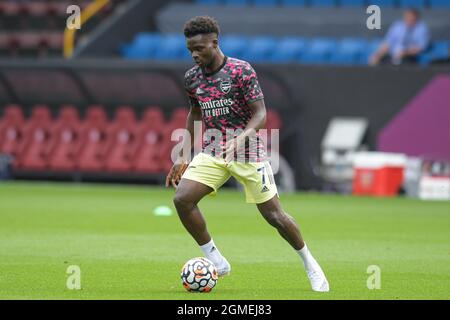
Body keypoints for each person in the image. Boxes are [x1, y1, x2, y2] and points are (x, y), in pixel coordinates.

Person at [165, 16, 329, 292]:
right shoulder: (192, 78)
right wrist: (182, 154)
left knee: (275, 216)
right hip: (214, 149)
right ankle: (217, 261)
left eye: (200, 48)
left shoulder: (241, 71)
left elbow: (261, 114)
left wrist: (240, 139)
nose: (194, 54)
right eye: (190, 49)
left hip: (249, 152)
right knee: (182, 199)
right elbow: (195, 113)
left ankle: (310, 263)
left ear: (214, 43)